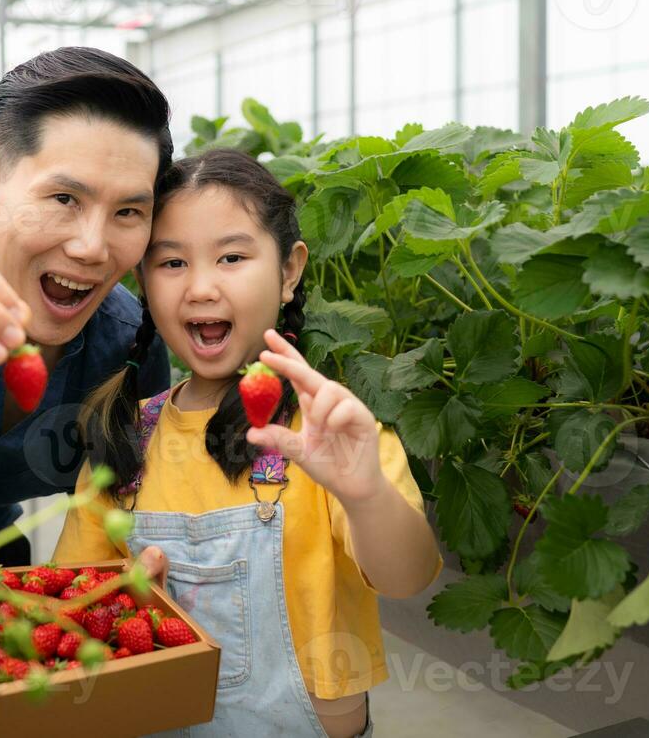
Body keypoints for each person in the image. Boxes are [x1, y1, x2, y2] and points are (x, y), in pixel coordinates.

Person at [53, 148, 443, 738]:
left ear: (289, 272)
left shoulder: (328, 430)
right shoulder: (123, 436)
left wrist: (364, 494)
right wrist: (127, 603)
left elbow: (406, 577)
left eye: (232, 257)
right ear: (142, 281)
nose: (202, 287)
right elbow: (76, 620)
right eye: (172, 263)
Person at [0, 47, 173, 735]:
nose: (91, 246)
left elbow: (125, 509)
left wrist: (142, 558)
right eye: (64, 198)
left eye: (129, 212)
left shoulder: (130, 349)